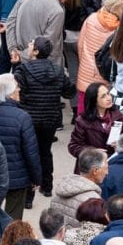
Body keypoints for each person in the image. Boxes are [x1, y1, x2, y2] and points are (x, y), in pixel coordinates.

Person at [10, 37, 75, 200]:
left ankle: (29, 196)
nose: (28, 46)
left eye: (31, 45)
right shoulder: (57, 70)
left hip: (29, 118)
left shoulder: (24, 70)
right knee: (45, 152)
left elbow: (14, 88)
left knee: (28, 154)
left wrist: (15, 65)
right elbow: (69, 92)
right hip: (50, 119)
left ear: (36, 51)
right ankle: (47, 186)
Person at [0, 74, 42, 218]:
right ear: (11, 92)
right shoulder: (22, 117)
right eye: (17, 88)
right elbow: (31, 152)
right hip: (17, 177)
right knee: (13, 217)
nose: (19, 90)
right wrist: (36, 178)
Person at [5, 0, 74, 67]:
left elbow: (10, 22)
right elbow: (48, 42)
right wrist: (22, 55)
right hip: (43, 65)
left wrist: (13, 50)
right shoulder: (58, 11)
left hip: (20, 60)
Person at [76, 0, 123, 102]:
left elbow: (80, 44)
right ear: (116, 9)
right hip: (105, 73)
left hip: (87, 69)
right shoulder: (120, 28)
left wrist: (84, 62)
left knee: (85, 105)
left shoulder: (91, 19)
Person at [69, 82, 123, 159]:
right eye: (103, 96)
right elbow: (74, 146)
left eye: (108, 94)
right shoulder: (82, 121)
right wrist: (92, 152)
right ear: (94, 100)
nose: (108, 98)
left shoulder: (119, 117)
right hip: (91, 165)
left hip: (114, 162)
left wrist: (121, 145)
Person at [52, 147, 107, 227]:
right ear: (95, 171)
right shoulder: (94, 202)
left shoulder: (61, 189)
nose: (107, 172)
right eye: (106, 168)